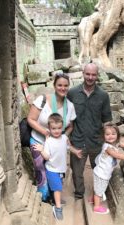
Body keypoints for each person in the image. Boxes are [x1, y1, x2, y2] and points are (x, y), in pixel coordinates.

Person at [27, 73, 77, 201]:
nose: (63, 88)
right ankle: (44, 196)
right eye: (59, 85)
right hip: (39, 139)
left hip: (56, 145)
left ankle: (55, 194)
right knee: (40, 167)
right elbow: (31, 119)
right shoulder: (42, 100)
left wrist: (63, 136)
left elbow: (71, 125)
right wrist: (45, 133)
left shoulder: (69, 106)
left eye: (66, 86)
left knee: (56, 169)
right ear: (54, 86)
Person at [67, 63, 112, 199]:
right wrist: (66, 137)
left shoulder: (103, 96)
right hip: (78, 140)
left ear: (97, 76)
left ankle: (99, 192)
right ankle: (79, 194)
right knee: (77, 171)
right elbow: (68, 117)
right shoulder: (72, 93)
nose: (90, 77)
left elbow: (107, 121)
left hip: (96, 141)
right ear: (83, 73)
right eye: (88, 74)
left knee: (100, 169)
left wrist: (110, 142)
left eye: (93, 74)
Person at [34, 113, 82, 221]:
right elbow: (46, 156)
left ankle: (56, 200)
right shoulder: (49, 141)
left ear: (62, 127)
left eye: (59, 128)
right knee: (57, 188)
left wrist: (76, 152)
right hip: (52, 169)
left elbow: (68, 147)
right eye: (53, 128)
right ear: (49, 128)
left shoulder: (64, 137)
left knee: (58, 186)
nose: (57, 131)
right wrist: (41, 150)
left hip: (61, 169)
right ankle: (58, 208)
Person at [92, 123, 124, 214]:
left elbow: (120, 144)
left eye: (113, 134)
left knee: (98, 188)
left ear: (117, 135)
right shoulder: (107, 147)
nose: (110, 136)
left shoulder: (114, 143)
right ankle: (96, 207)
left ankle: (93, 199)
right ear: (103, 136)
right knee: (99, 191)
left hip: (102, 172)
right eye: (107, 134)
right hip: (101, 174)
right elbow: (116, 155)